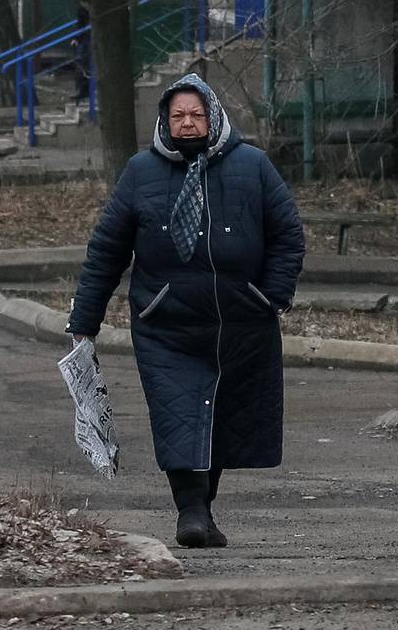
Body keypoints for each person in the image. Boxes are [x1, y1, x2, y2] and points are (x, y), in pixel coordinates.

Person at [65, 72, 305, 549]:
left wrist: (271, 296)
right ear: (165, 120)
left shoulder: (253, 166)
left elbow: (288, 234)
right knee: (178, 416)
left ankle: (202, 512)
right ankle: (190, 512)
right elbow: (107, 249)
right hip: (166, 324)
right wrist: (84, 320)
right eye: (179, 116)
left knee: (217, 419)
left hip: (239, 323)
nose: (189, 124)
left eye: (197, 115)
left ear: (213, 117)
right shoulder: (141, 172)